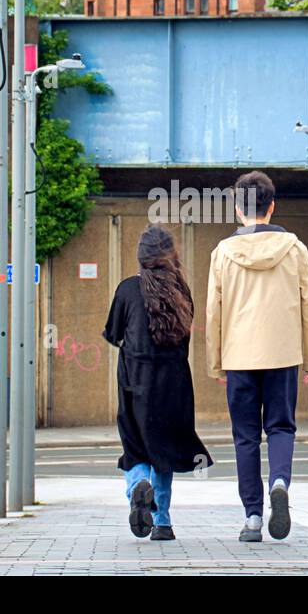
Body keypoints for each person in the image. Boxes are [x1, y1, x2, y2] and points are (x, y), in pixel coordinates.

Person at [206, 171, 308, 542]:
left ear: (239, 209)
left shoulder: (223, 252)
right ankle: (280, 483)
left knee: (245, 437)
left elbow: (214, 312)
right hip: (284, 353)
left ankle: (253, 517)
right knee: (282, 427)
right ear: (272, 206)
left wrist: (215, 361)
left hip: (239, 357)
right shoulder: (296, 249)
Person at [103, 225, 213, 541]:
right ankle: (162, 521)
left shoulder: (127, 289)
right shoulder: (182, 291)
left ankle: (138, 485)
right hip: (174, 384)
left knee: (135, 445)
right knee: (163, 450)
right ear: (171, 256)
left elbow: (113, 333)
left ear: (141, 257)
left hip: (134, 382)